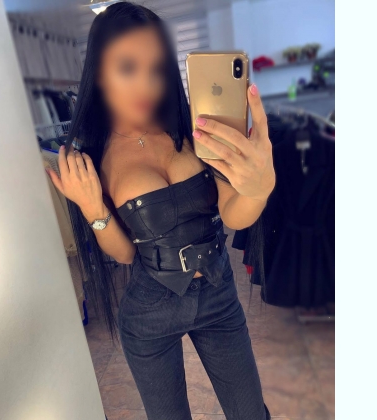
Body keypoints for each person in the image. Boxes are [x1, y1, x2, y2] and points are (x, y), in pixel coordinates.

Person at [46, 2, 275, 419]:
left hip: (219, 295)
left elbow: (233, 214)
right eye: (127, 68)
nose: (146, 85)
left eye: (156, 69)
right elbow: (125, 254)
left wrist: (259, 189)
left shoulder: (192, 127)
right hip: (150, 311)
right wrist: (93, 209)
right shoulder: (94, 155)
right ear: (99, 73)